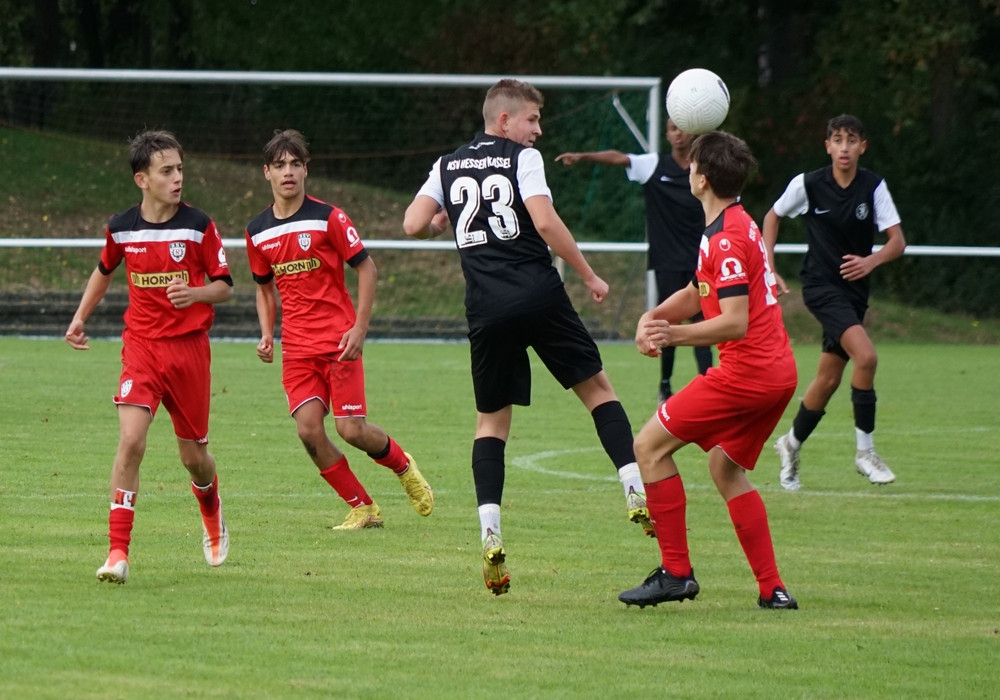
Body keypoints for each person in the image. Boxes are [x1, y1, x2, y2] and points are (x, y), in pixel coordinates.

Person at [403, 78, 644, 597]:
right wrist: (589, 275)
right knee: (598, 391)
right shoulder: (521, 158)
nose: (538, 130)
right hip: (538, 295)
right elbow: (545, 221)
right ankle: (633, 486)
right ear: (504, 120)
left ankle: (490, 531)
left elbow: (411, 223)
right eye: (532, 120)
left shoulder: (448, 164)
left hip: (486, 309)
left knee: (491, 423)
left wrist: (441, 220)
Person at [618, 130, 798, 610]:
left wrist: (670, 335)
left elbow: (735, 322)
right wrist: (654, 316)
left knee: (648, 447)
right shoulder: (732, 223)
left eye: (693, 164)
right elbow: (699, 292)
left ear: (700, 179)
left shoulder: (725, 239)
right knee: (724, 467)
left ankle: (676, 573)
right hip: (778, 374)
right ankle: (773, 589)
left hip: (747, 375)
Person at [64, 130, 233, 584]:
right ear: (142, 179)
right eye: (167, 171)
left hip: (189, 352)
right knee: (131, 441)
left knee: (194, 458)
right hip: (141, 348)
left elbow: (225, 286)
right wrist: (79, 317)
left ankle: (211, 508)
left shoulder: (198, 225)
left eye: (180, 169)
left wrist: (195, 293)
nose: (178, 178)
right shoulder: (121, 227)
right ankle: (117, 552)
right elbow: (104, 270)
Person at [245, 129, 433, 531]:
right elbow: (263, 289)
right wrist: (266, 333)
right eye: (279, 165)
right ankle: (363, 507)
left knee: (351, 430)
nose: (288, 172)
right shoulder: (257, 230)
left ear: (306, 170)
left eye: (295, 164)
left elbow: (367, 268)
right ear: (267, 173)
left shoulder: (329, 217)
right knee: (308, 431)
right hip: (298, 348)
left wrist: (360, 328)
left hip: (339, 341)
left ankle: (403, 466)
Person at [763, 114, 906, 491]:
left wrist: (871, 260)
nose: (844, 147)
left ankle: (790, 444)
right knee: (867, 358)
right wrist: (769, 267)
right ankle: (865, 453)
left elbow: (897, 241)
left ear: (863, 146)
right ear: (827, 146)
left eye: (851, 140)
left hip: (855, 293)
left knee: (827, 380)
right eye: (838, 140)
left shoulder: (873, 186)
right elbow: (772, 217)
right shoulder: (808, 184)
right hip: (820, 287)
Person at [555, 118, 713, 402]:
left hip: (702, 261)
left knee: (703, 321)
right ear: (667, 135)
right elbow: (619, 157)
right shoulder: (654, 165)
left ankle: (709, 385)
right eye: (672, 128)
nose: (678, 133)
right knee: (669, 322)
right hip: (667, 262)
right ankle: (665, 385)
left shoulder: (702, 171)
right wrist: (583, 156)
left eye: (682, 127)